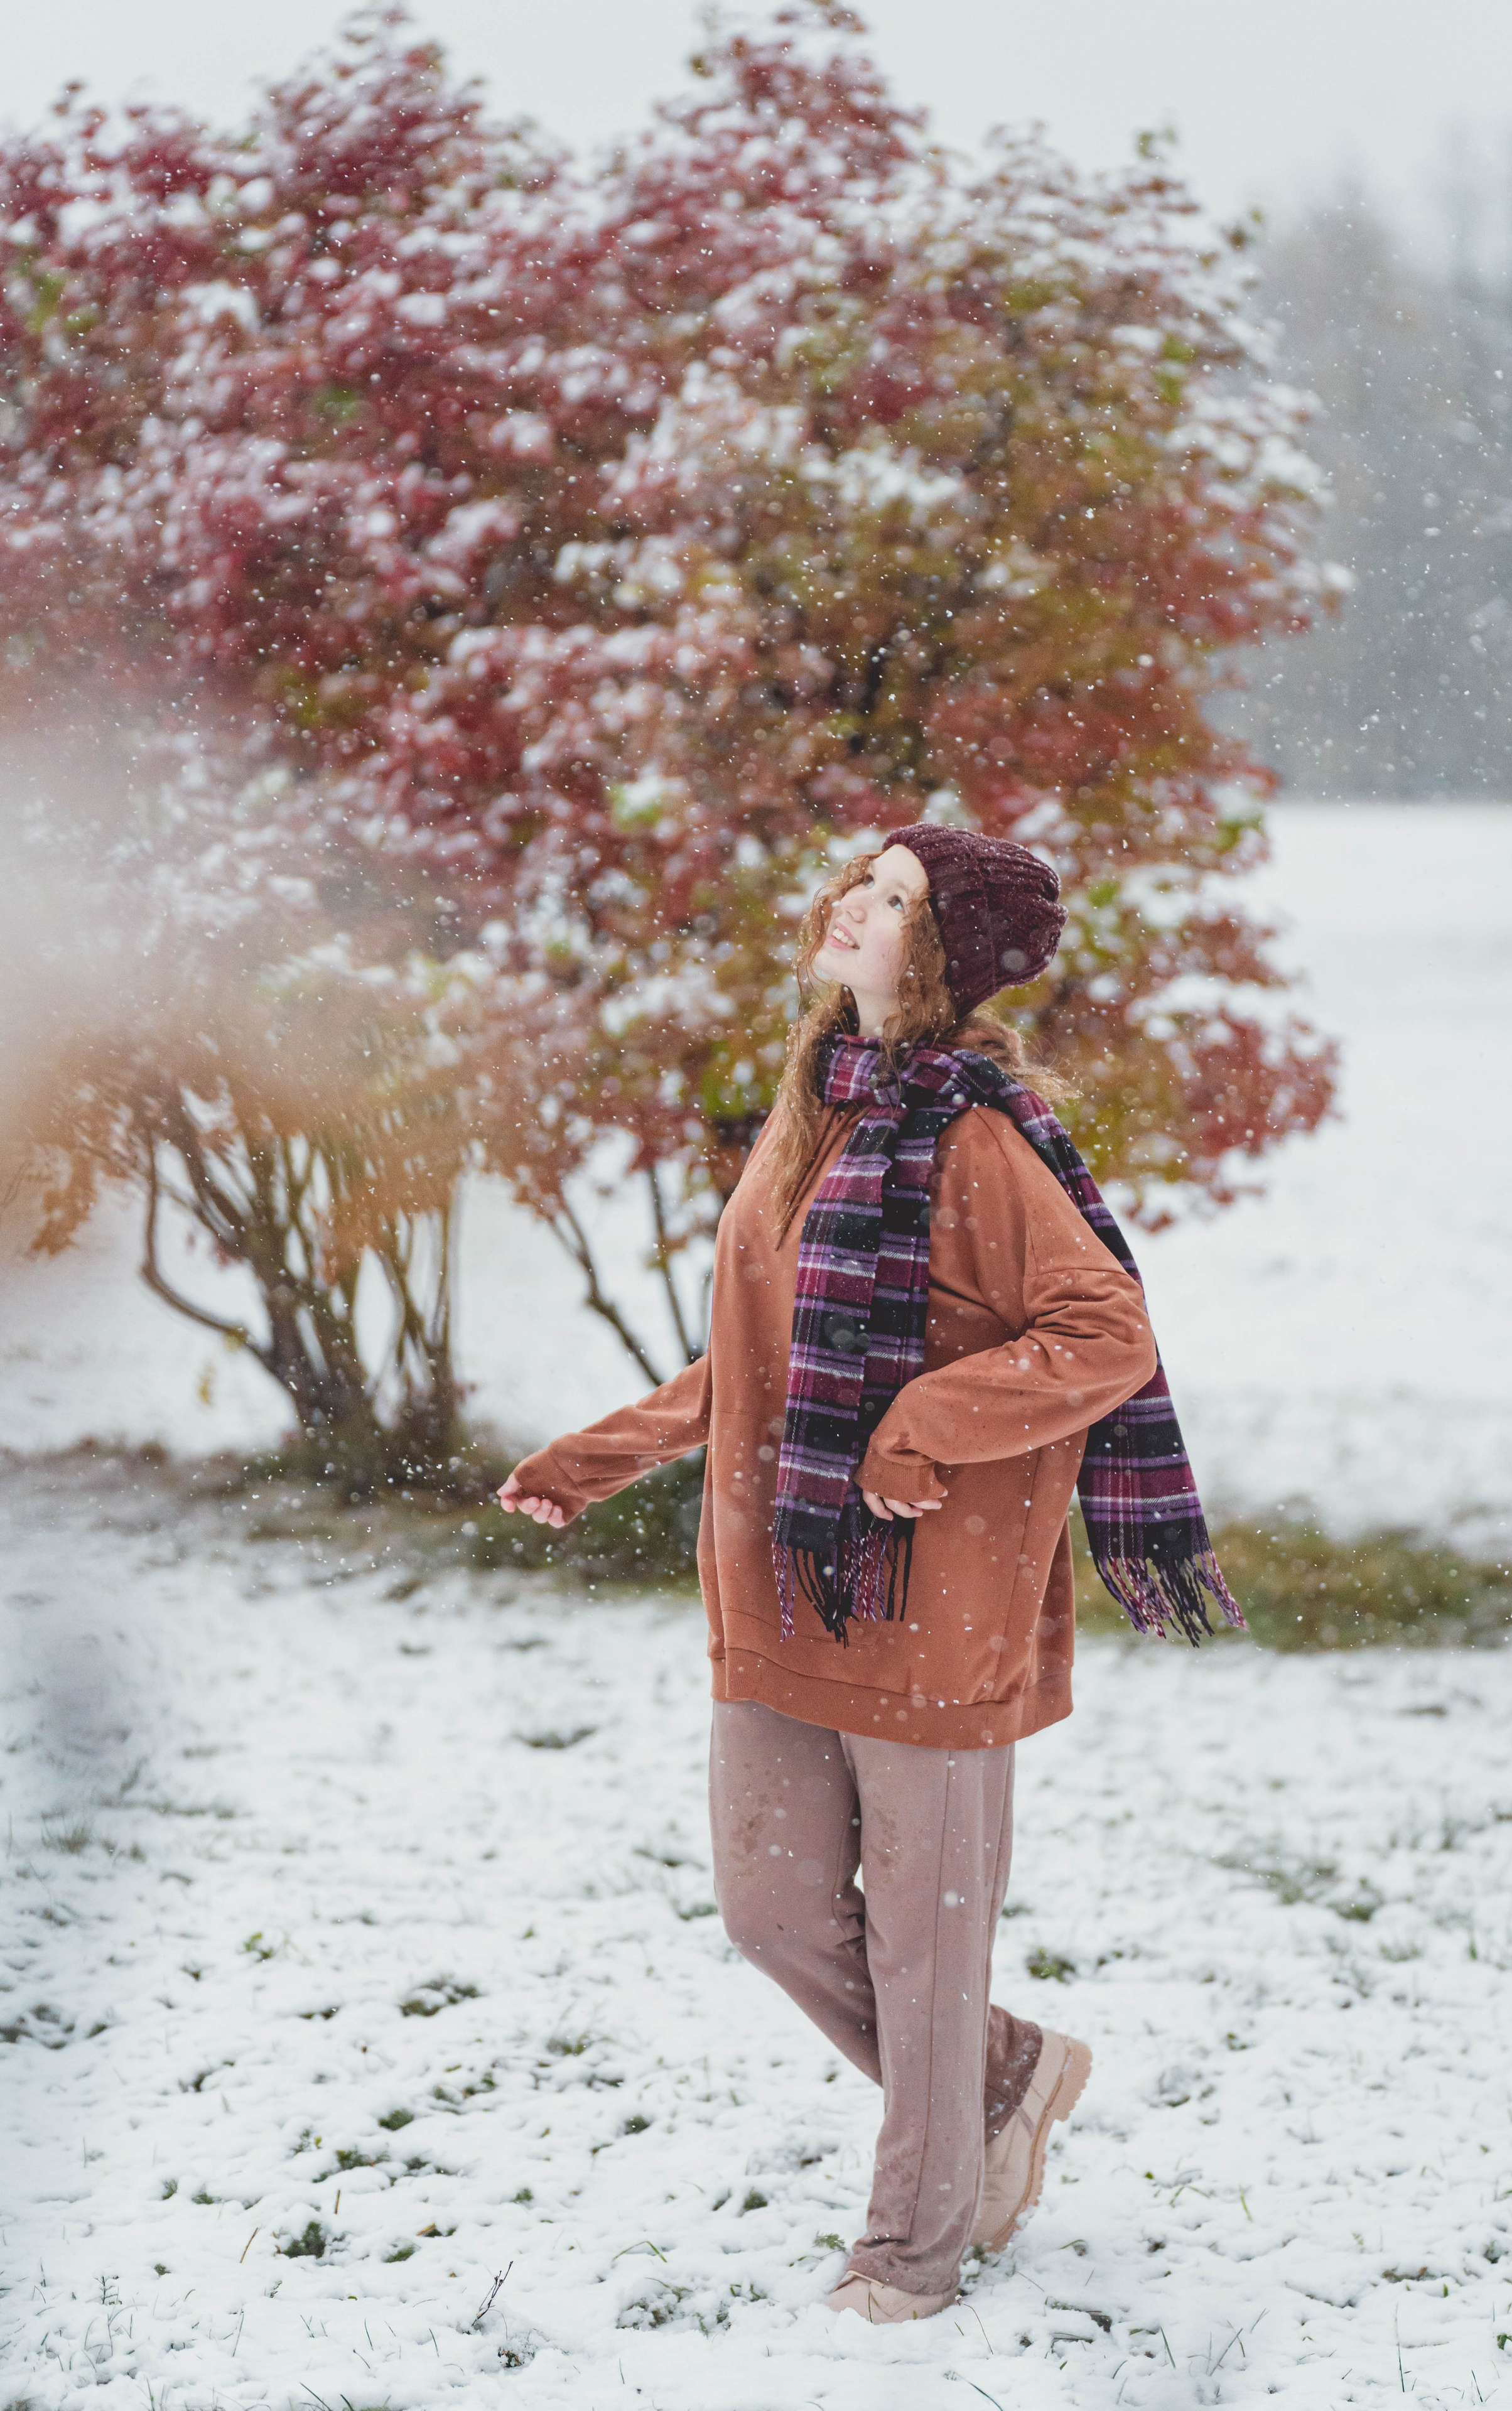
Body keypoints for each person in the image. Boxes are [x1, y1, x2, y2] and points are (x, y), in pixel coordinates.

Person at [498, 826, 1240, 2323]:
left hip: (931, 1601)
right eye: (860, 877)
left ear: (944, 957)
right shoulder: (816, 1107)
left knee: (921, 1946)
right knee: (771, 1911)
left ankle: (911, 2248)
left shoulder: (975, 1141)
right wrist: (601, 1454)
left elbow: (1103, 1331)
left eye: (895, 899)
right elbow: (763, 1352)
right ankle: (1003, 2074)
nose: (852, 902)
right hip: (783, 1580)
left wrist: (924, 1422)